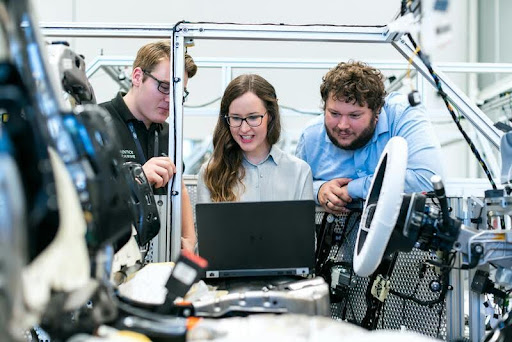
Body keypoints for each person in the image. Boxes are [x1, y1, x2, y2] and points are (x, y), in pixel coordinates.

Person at [296, 60, 443, 215]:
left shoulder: (403, 116)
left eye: (354, 115)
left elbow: (427, 178)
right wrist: (319, 190)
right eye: (334, 114)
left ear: (377, 111)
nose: (342, 125)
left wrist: (352, 189)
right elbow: (294, 188)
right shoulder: (311, 137)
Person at [100, 40, 197, 253]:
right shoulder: (98, 124)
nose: (170, 99)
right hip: (113, 254)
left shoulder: (168, 133)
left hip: (160, 254)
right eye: (164, 87)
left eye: (179, 93)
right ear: (137, 77)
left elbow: (179, 187)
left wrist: (189, 239)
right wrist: (137, 178)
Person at [197, 74, 313, 202]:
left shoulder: (300, 172)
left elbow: (302, 222)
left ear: (270, 116)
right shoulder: (210, 173)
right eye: (235, 118)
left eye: (253, 117)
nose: (244, 129)